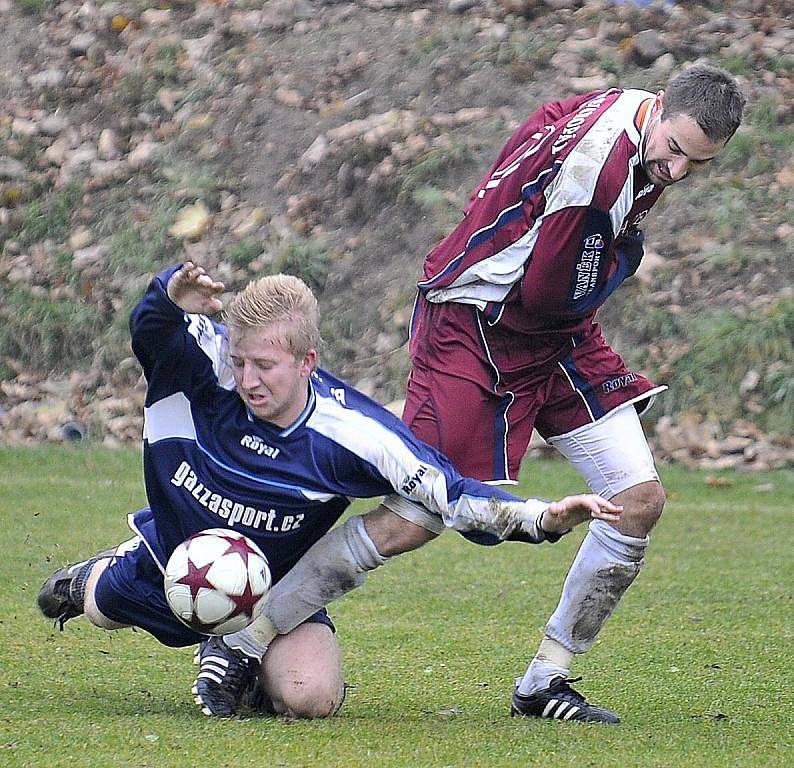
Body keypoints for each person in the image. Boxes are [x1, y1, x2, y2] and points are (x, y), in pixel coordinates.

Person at [204, 63, 745, 724]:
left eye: (700, 162)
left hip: (555, 335)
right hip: (476, 327)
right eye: (677, 150)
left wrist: (509, 216)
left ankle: (543, 681)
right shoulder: (598, 181)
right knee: (417, 515)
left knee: (637, 502)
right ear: (658, 110)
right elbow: (552, 289)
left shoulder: (633, 113)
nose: (680, 170)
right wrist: (620, 255)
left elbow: (544, 119)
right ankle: (240, 639)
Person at [38, 261, 622, 719]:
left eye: (265, 365)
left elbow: (449, 493)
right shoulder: (202, 366)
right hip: (172, 561)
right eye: (240, 361)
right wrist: (167, 293)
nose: (247, 380)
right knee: (99, 611)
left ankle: (245, 660)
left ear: (307, 360)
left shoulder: (351, 434)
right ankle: (96, 574)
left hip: (274, 595)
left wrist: (542, 517)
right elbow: (151, 330)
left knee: (310, 699)